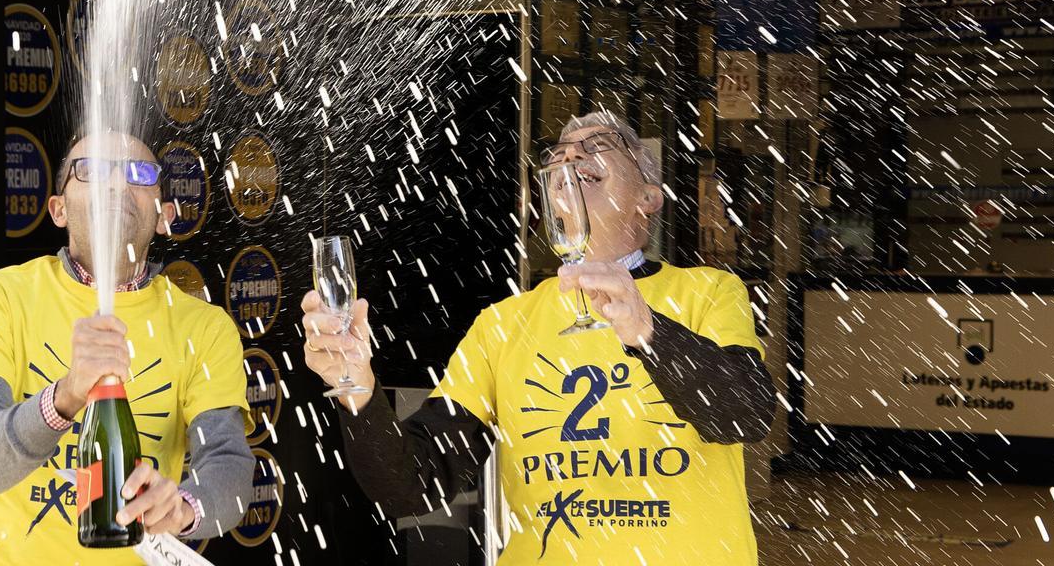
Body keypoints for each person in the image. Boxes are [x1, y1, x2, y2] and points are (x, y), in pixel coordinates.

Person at [301, 111, 776, 564]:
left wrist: (647, 330)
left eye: (599, 146)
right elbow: (411, 485)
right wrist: (357, 386)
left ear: (648, 197)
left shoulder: (708, 290)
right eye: (559, 155)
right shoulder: (503, 324)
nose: (570, 159)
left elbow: (746, 415)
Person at [0, 132, 255, 564]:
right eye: (93, 170)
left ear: (165, 215)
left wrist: (182, 506)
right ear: (58, 210)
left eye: (138, 174)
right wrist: (64, 397)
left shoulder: (206, 328)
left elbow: (229, 464)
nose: (116, 183)